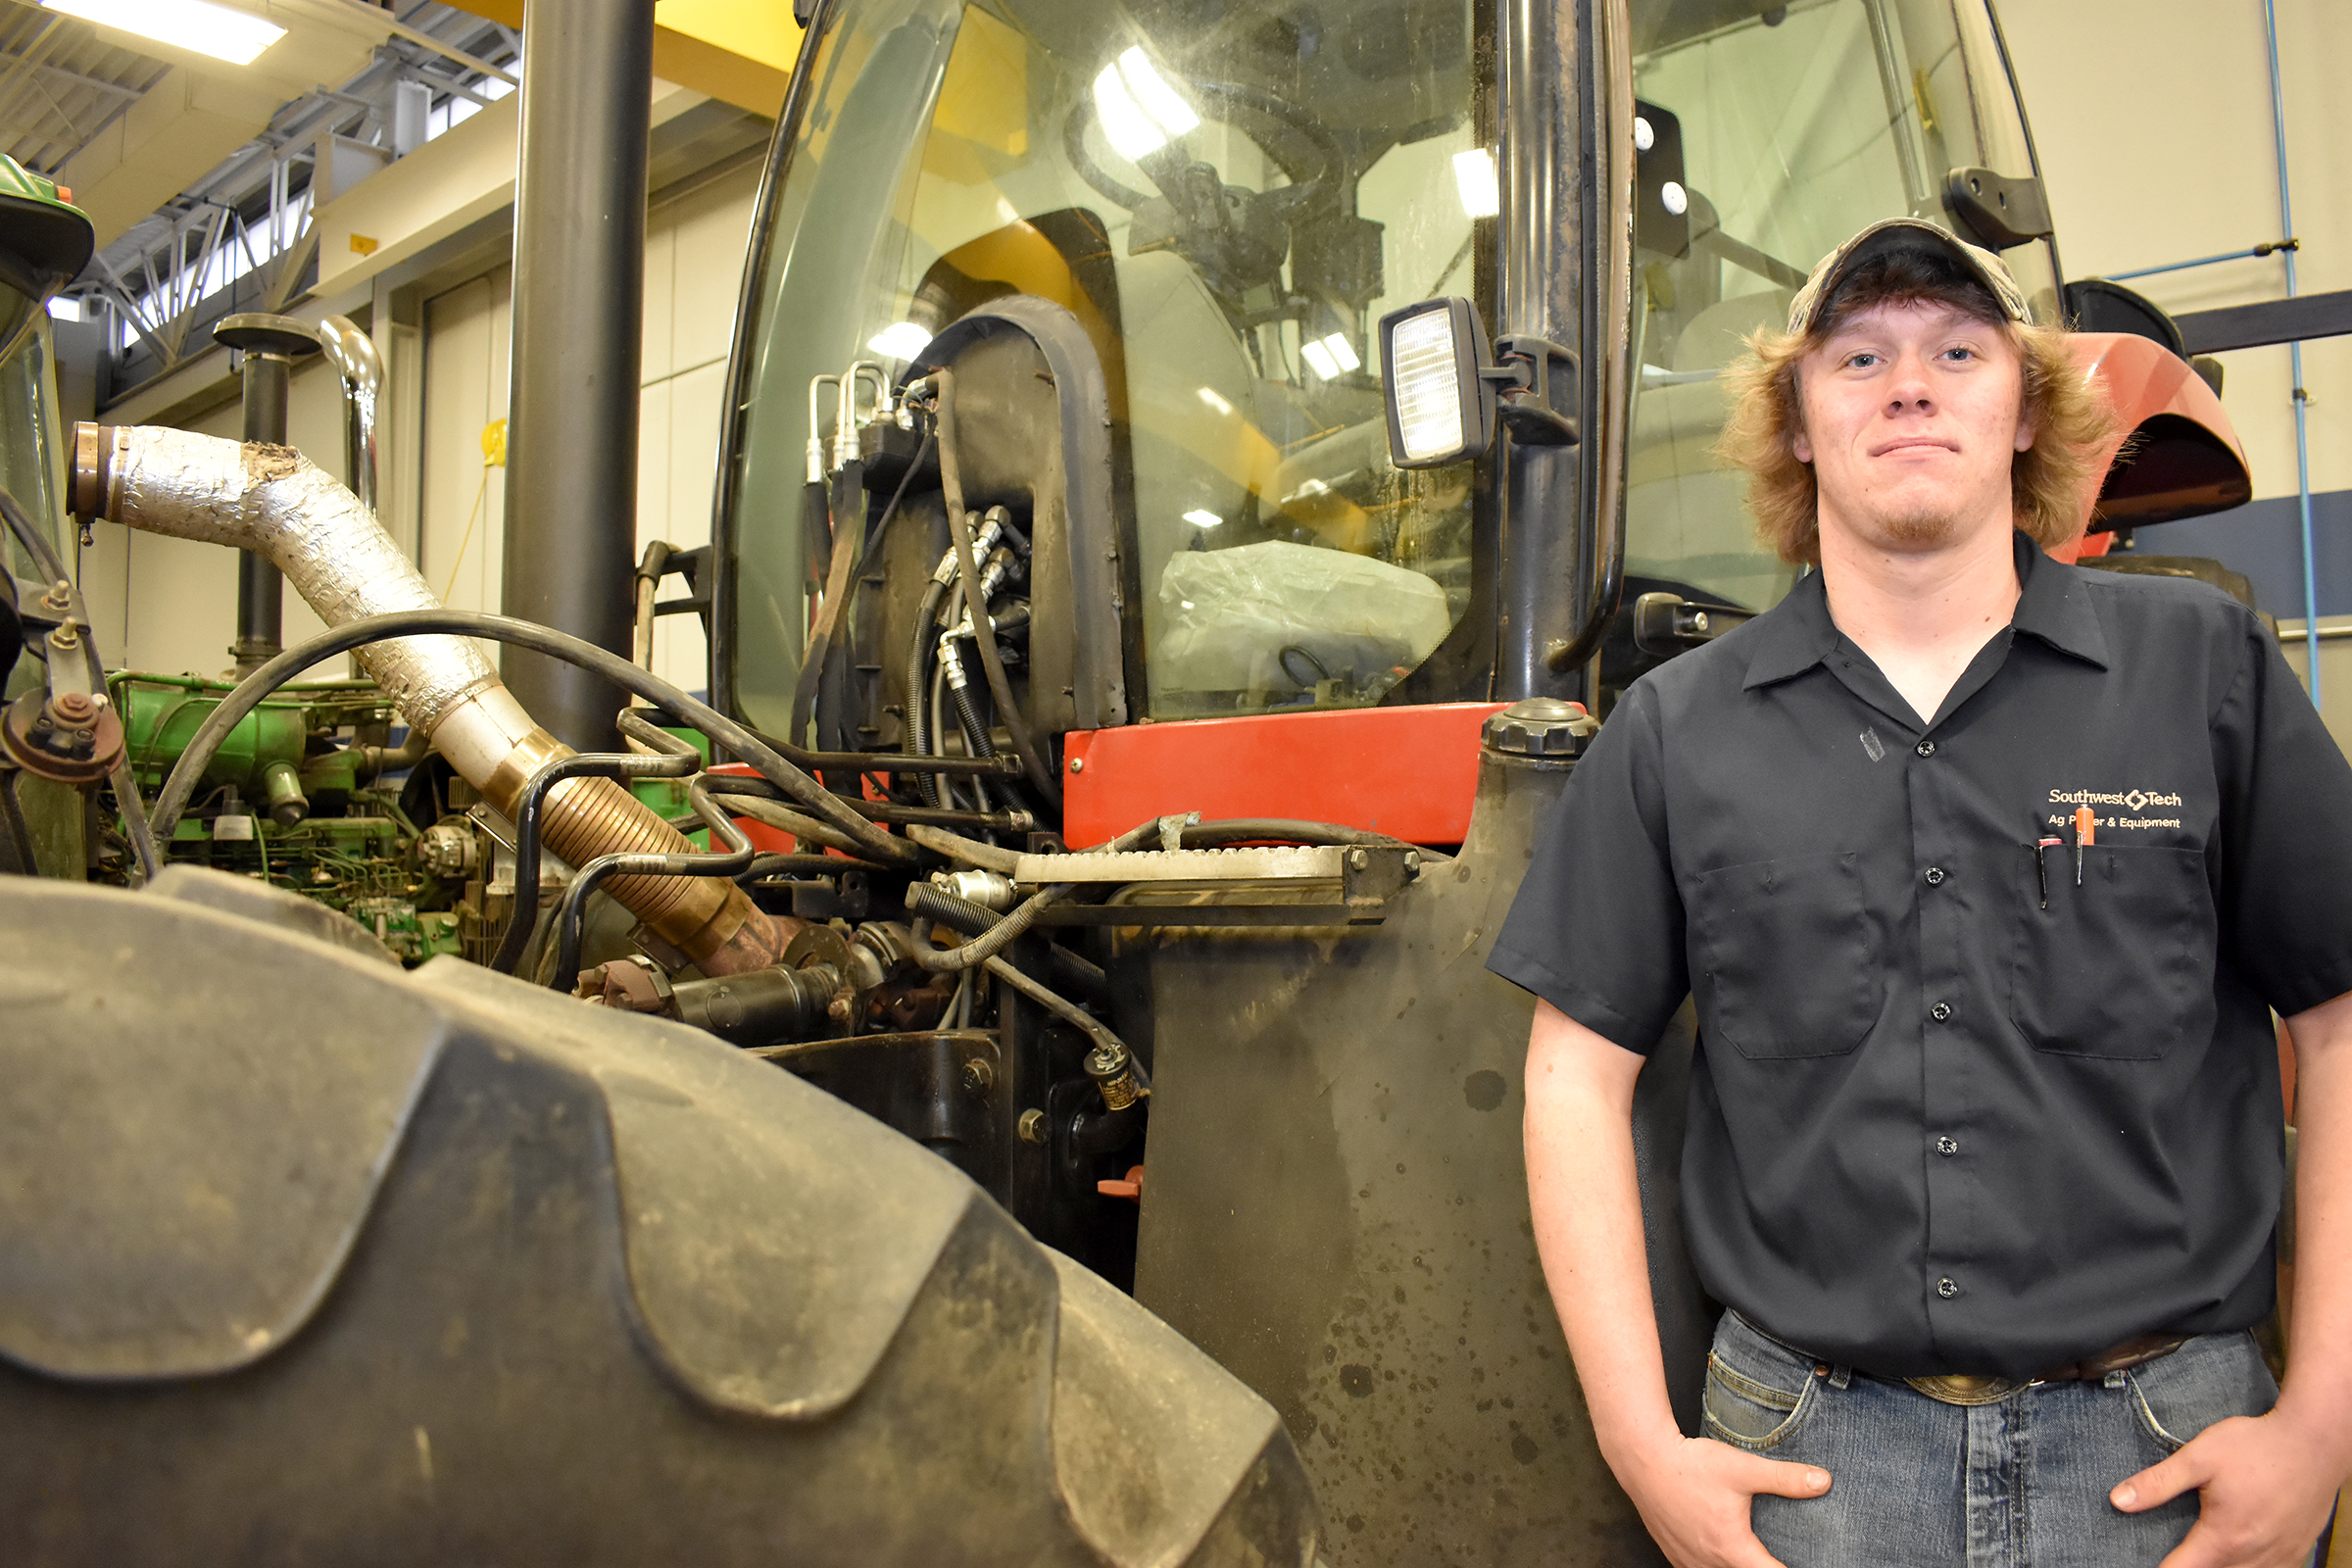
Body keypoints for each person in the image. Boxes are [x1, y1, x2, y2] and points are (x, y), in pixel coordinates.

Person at [1487, 217, 2352, 1568]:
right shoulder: (1673, 734)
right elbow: (1571, 1079)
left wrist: (2322, 1426)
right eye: (1857, 357)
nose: (1909, 385)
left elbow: (2340, 1030)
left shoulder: (2207, 674)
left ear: (2026, 413)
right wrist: (1638, 1444)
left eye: (1958, 350)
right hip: (1810, 1471)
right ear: (1795, 426)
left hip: (2164, 1449)